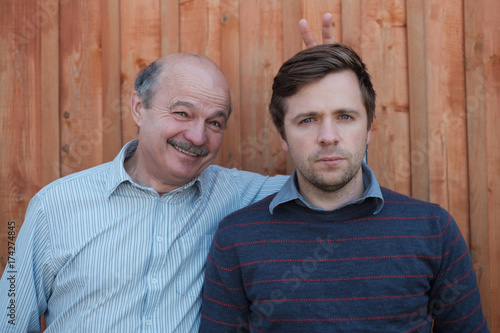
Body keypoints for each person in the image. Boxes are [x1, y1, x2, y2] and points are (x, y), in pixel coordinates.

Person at [0, 15, 333, 333]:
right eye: (182, 113)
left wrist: (330, 93)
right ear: (138, 108)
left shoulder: (239, 197)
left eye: (214, 122)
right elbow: (9, 316)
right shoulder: (54, 205)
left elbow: (333, 183)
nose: (198, 136)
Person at [200, 44, 489, 332]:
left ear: (369, 129)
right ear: (283, 136)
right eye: (308, 120)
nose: (328, 137)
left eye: (345, 117)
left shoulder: (433, 230)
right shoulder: (237, 239)